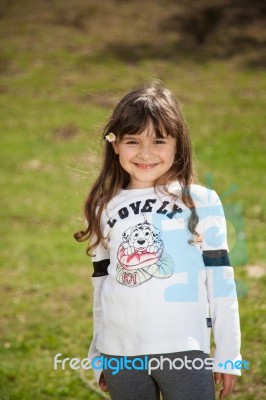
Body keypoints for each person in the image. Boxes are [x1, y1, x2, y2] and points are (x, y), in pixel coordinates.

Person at [74, 80, 242, 400]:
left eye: (159, 140)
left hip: (185, 351)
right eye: (133, 141)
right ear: (116, 145)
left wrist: (229, 355)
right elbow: (101, 288)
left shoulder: (199, 200)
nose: (146, 153)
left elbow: (221, 283)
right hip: (120, 355)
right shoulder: (102, 207)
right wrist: (98, 356)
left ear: (178, 143)